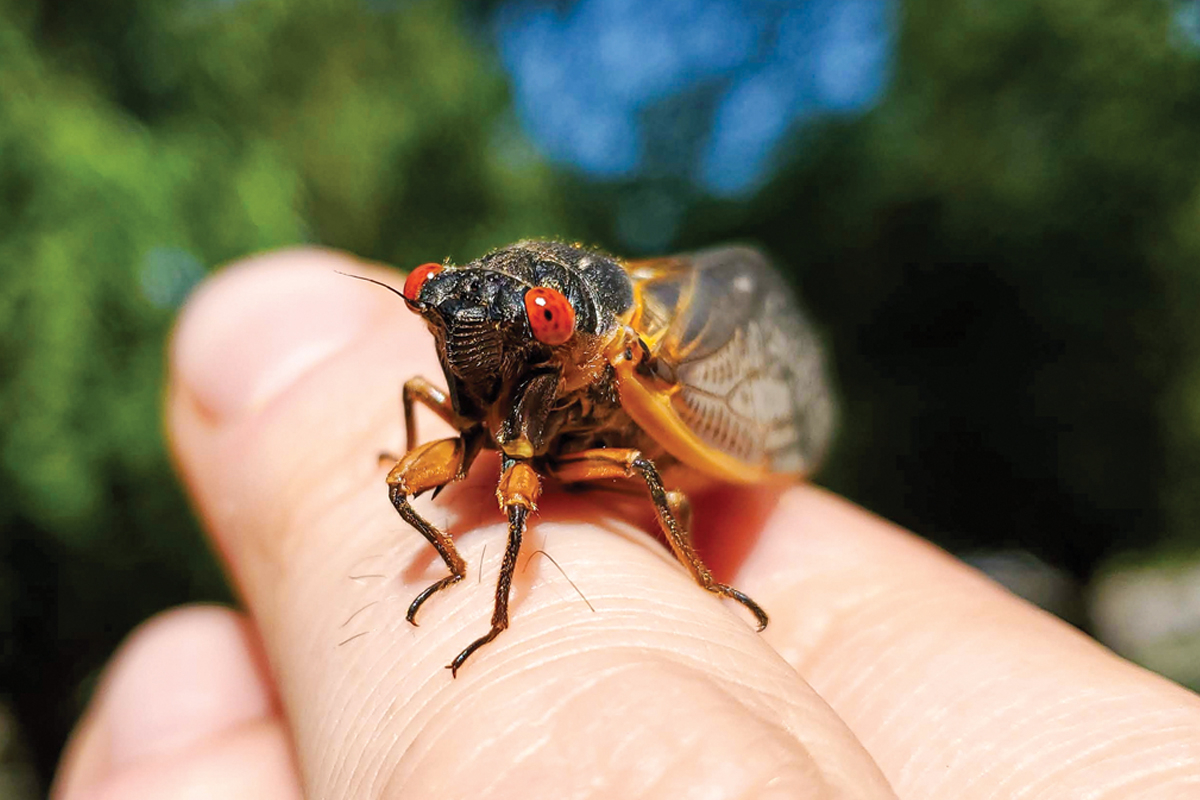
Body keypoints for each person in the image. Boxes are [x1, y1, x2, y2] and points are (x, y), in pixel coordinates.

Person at [52, 249, 1200, 799]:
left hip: (635, 409)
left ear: (561, 321)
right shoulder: (456, 368)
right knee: (416, 471)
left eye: (531, 319)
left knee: (646, 479)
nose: (454, 333)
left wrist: (695, 572)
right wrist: (447, 535)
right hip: (511, 434)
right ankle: (477, 567)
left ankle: (538, 599)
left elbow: (655, 473)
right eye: (430, 298)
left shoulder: (607, 345)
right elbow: (432, 409)